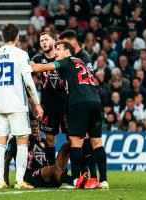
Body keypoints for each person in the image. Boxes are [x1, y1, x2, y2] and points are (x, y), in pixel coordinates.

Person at [31, 41, 109, 189]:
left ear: (67, 51)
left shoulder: (67, 60)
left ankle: (75, 180)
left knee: (76, 142)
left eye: (58, 49)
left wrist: (30, 66)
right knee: (97, 143)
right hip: (95, 101)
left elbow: (45, 67)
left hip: (79, 102)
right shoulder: (82, 62)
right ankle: (103, 181)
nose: (56, 53)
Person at [0, 23, 43, 189]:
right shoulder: (21, 54)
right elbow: (29, 82)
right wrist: (37, 104)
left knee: (0, 143)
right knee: (22, 142)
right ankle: (19, 181)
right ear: (17, 36)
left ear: (3, 37)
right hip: (17, 104)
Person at [59, 30, 99, 188]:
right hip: (75, 100)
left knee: (83, 140)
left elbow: (89, 78)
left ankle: (88, 176)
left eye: (63, 43)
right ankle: (85, 176)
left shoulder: (82, 57)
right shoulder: (71, 58)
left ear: (70, 42)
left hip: (80, 101)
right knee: (77, 140)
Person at [31, 32, 68, 166]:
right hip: (48, 105)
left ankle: (65, 170)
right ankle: (52, 171)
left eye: (46, 39)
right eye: (41, 41)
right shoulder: (37, 58)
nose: (43, 43)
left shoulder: (62, 57)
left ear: (54, 41)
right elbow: (27, 68)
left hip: (65, 104)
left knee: (72, 139)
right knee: (50, 140)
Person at [4, 119, 73, 189]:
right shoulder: (17, 141)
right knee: (54, 168)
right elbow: (7, 159)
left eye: (36, 126)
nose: (35, 128)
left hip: (46, 174)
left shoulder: (42, 141)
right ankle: (74, 181)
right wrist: (5, 181)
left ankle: (77, 175)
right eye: (31, 126)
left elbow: (50, 161)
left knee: (66, 146)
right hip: (31, 177)